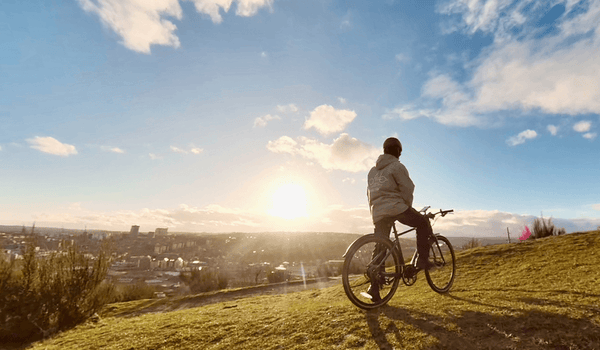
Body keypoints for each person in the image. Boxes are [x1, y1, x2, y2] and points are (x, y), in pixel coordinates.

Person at [366, 137, 435, 301]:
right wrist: (406, 205)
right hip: (396, 207)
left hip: (378, 211)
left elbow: (369, 193)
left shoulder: (372, 172)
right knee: (423, 222)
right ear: (397, 151)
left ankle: (374, 287)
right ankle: (423, 261)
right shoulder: (397, 166)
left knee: (381, 245)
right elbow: (408, 187)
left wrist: (375, 212)